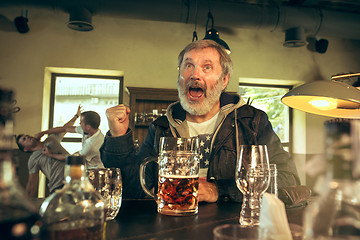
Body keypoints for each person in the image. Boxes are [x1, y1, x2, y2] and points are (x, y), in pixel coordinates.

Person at [100, 39, 300, 203]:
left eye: (207, 67)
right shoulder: (161, 127)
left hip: (234, 226)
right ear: (180, 77)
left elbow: (287, 178)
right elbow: (133, 190)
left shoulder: (252, 122)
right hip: (174, 225)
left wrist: (219, 190)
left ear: (223, 80)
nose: (195, 75)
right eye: (189, 66)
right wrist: (118, 137)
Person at [15, 106, 81, 198]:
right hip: (59, 188)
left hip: (76, 180)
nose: (28, 137)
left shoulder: (51, 139)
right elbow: (31, 184)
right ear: (25, 149)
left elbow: (65, 128)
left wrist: (76, 116)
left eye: (27, 135)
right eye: (24, 139)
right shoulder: (33, 159)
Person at [38, 106, 105, 169]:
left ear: (88, 127)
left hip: (94, 172)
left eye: (81, 122)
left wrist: (50, 154)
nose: (79, 124)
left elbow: (71, 157)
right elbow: (65, 129)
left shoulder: (91, 146)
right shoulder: (89, 130)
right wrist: (43, 133)